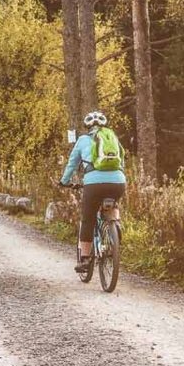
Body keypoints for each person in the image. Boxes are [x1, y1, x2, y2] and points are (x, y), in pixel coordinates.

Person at [59, 111, 125, 276]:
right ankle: (115, 229)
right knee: (113, 204)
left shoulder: (82, 140)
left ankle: (85, 259)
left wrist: (64, 181)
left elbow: (72, 164)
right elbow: (122, 160)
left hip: (93, 184)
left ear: (88, 126)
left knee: (88, 219)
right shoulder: (112, 137)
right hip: (118, 182)